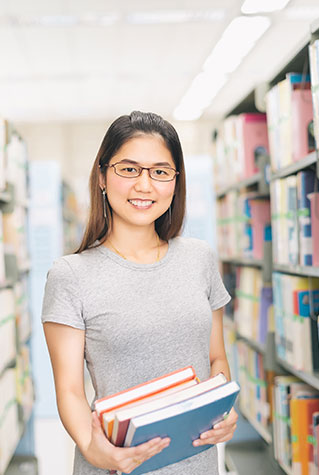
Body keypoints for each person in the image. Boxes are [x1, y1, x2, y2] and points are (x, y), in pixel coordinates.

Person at [41, 111, 238, 475]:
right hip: (114, 463)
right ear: (102, 177)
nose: (144, 186)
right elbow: (69, 390)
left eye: (160, 171)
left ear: (175, 182)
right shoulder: (70, 275)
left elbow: (215, 360)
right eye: (129, 169)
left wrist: (222, 408)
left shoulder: (199, 259)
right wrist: (93, 449)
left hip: (197, 463)